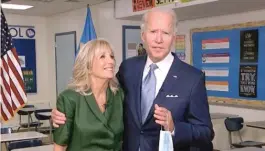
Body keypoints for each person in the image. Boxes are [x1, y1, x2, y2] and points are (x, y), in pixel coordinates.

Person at [52, 8, 214, 151]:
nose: (158, 39)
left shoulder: (192, 78)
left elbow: (206, 132)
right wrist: (63, 115)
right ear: (143, 35)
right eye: (153, 32)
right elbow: (99, 97)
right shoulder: (128, 68)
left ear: (173, 37)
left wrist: (173, 127)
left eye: (165, 33)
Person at [53, 39, 124, 151]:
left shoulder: (119, 96)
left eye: (111, 56)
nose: (110, 61)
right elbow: (60, 146)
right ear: (88, 65)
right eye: (102, 57)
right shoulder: (69, 98)